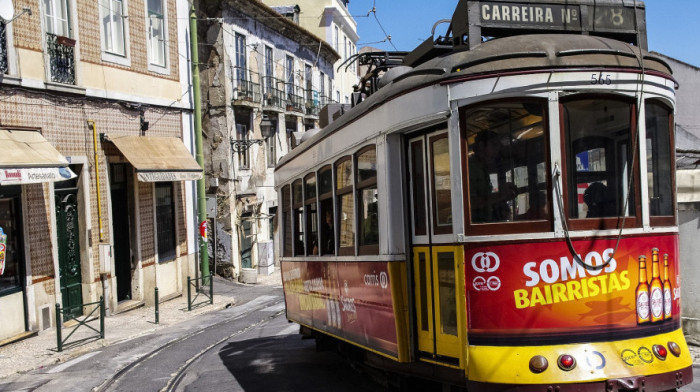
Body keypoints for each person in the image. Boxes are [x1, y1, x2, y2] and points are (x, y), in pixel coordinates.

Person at [469, 131, 517, 223]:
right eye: (494, 145)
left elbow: (492, 194)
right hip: (475, 224)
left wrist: (504, 192)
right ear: (481, 145)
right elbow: (470, 203)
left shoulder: (489, 169)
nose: (497, 150)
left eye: (498, 146)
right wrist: (500, 195)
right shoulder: (469, 169)